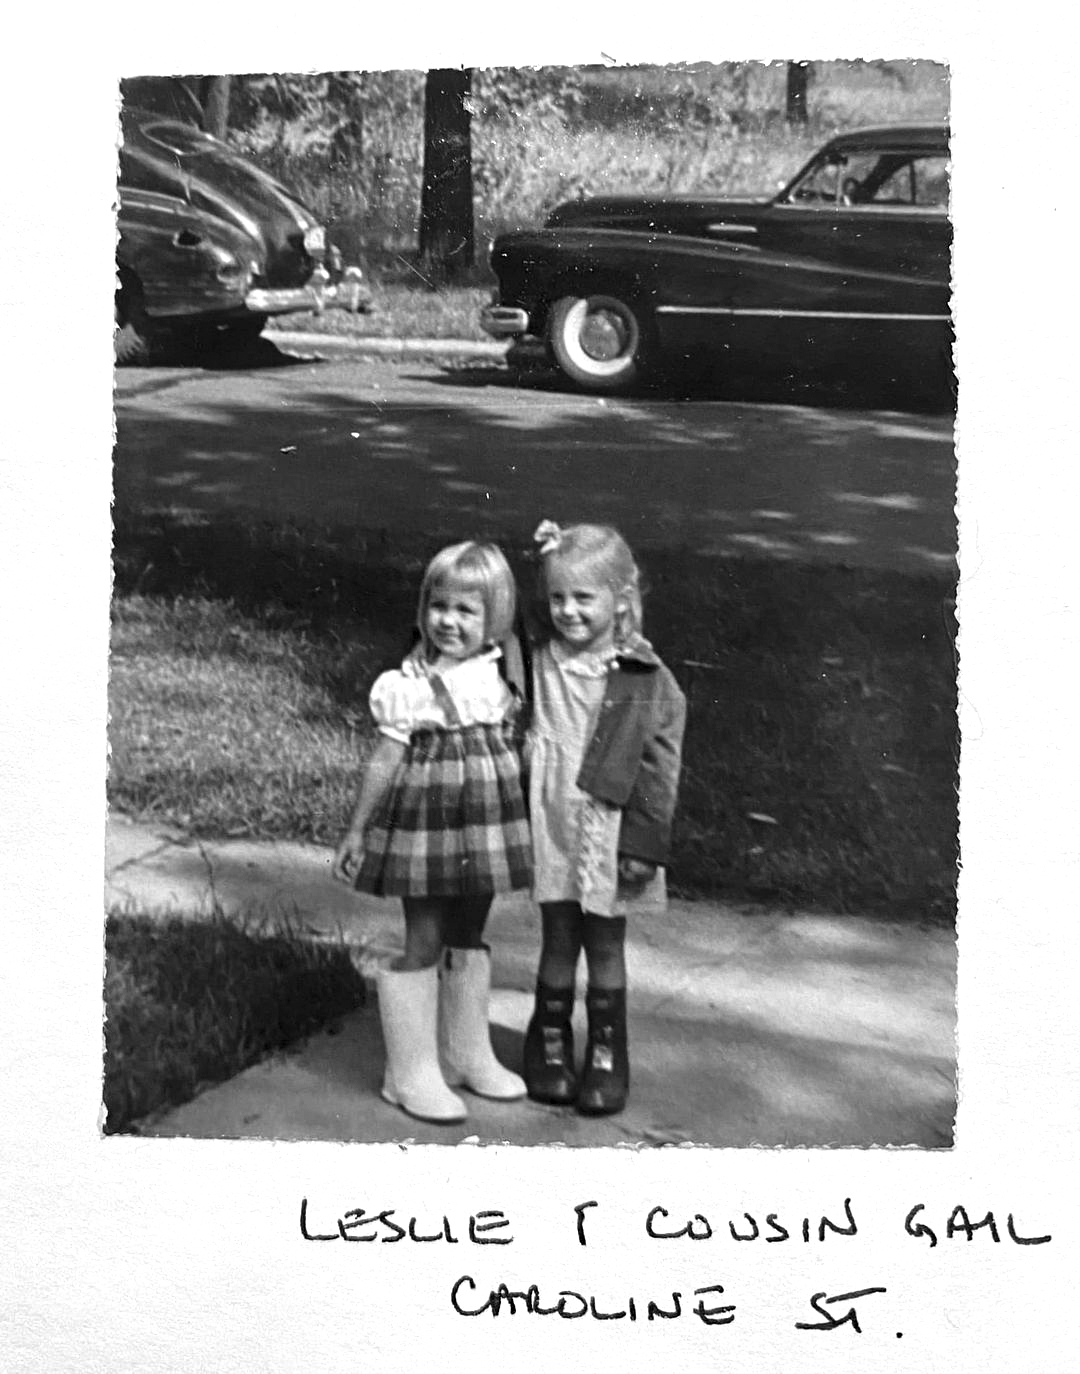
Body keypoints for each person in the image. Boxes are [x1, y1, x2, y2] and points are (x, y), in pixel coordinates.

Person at [333, 542, 532, 1125]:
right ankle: (409, 1072)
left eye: (467, 610)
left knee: (469, 929)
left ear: (495, 617)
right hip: (428, 822)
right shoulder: (408, 684)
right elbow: (384, 758)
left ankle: (465, 1052)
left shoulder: (503, 667)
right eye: (438, 606)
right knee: (424, 933)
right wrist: (356, 830)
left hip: (487, 822)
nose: (449, 620)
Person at [523, 520, 686, 1116]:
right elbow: (513, 606)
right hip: (553, 825)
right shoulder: (540, 661)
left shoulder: (644, 677)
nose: (567, 611)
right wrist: (547, 552)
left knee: (606, 943)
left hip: (610, 831)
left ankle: (608, 1054)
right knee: (558, 937)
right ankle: (551, 1044)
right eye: (557, 597)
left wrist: (646, 841)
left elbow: (660, 767)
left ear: (620, 601)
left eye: (583, 597)